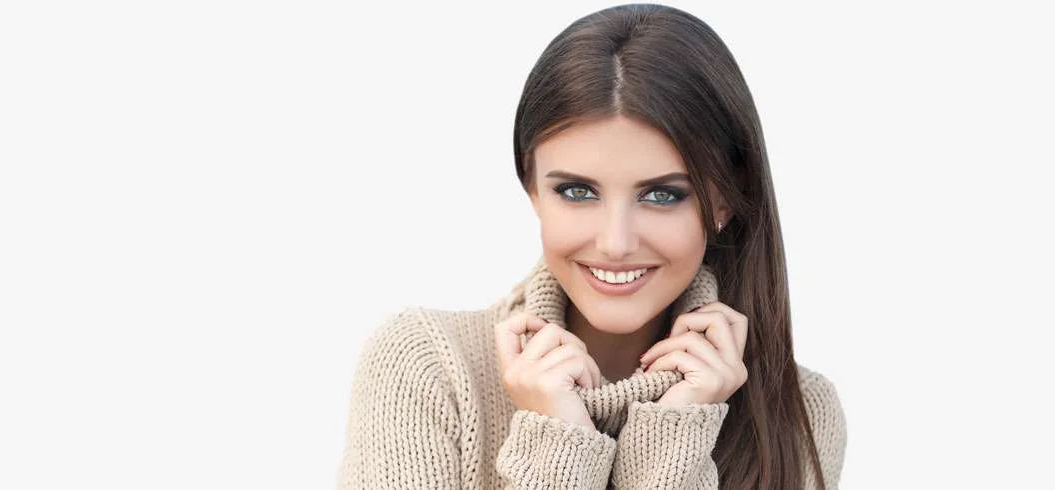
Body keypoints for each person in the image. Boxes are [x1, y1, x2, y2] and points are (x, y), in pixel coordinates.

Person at [336, 4, 846, 489]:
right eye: (577, 192)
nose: (615, 243)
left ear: (723, 201)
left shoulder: (798, 414)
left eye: (662, 195)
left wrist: (677, 436)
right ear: (532, 190)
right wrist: (559, 444)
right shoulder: (428, 368)